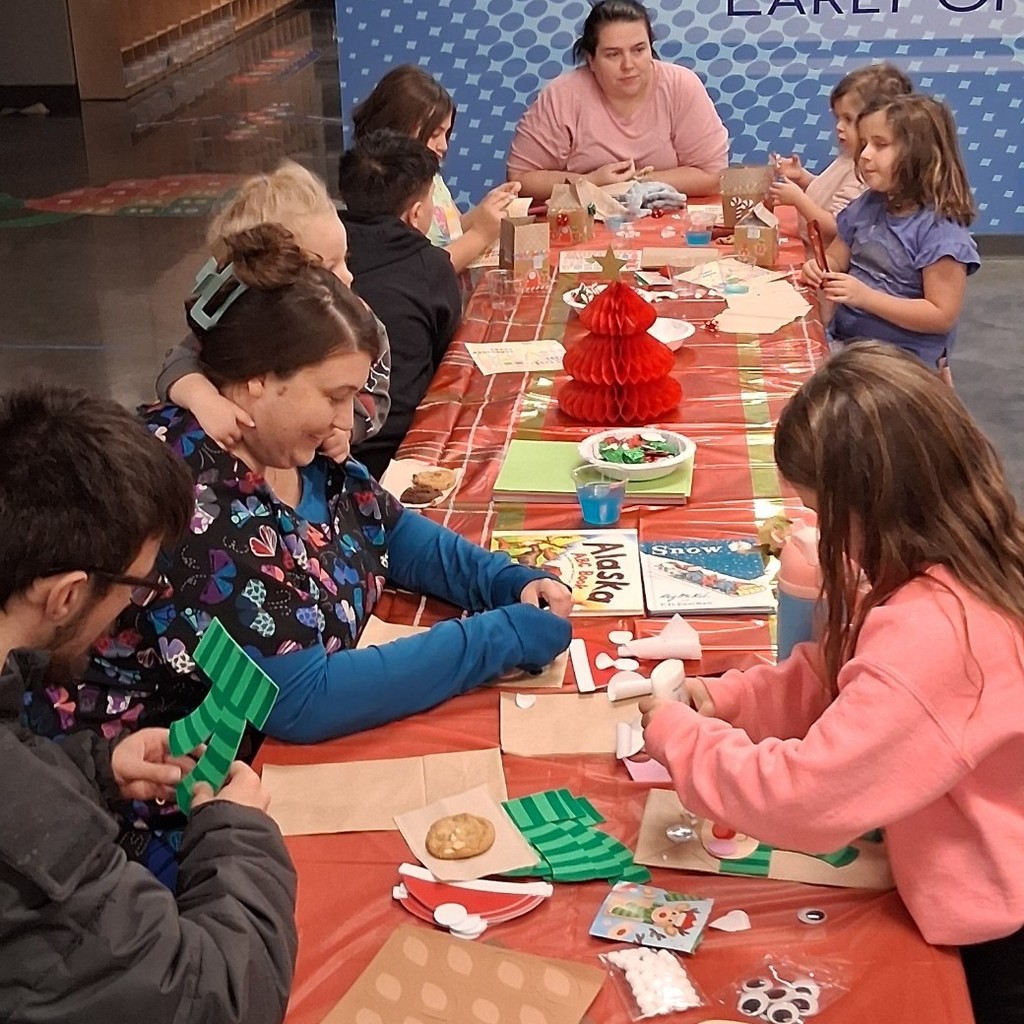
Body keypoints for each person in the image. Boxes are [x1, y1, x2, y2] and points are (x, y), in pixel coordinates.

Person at [39, 223, 570, 766]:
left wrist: (502, 579)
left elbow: (386, 529)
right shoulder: (193, 501)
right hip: (163, 792)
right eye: (335, 396)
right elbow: (303, 699)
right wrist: (496, 637)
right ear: (257, 381)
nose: (346, 421)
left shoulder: (292, 447)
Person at [639, 343, 1024, 1024]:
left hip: (997, 936)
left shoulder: (941, 631)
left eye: (826, 515)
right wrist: (737, 699)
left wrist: (684, 739)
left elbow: (807, 799)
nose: (828, 539)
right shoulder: (963, 551)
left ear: (874, 504)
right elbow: (854, 679)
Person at [0, 385, 297, 1024]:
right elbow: (217, 998)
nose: (134, 604)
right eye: (135, 585)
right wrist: (237, 831)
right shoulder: (35, 843)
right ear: (67, 595)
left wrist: (93, 770)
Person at [156, 160, 391, 456]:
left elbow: (375, 399)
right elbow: (177, 363)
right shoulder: (231, 328)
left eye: (346, 259)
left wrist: (346, 429)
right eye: (328, 267)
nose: (348, 276)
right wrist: (203, 399)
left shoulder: (360, 328)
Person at [801, 94, 980, 371]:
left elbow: (941, 314)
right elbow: (836, 257)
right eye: (864, 144)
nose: (864, 155)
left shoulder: (940, 232)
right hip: (847, 342)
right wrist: (820, 267)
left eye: (880, 145)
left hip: (901, 365)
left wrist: (866, 298)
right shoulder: (868, 204)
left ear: (920, 155)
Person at [506, 0, 728, 202]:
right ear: (591, 60)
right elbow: (520, 179)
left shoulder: (682, 85)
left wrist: (633, 184)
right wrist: (591, 183)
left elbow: (713, 175)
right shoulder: (562, 95)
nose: (628, 65)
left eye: (639, 50)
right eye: (613, 54)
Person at [337, 129, 463, 476]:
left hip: (330, 441)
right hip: (395, 449)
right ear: (416, 214)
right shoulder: (428, 266)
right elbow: (446, 359)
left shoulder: (325, 244)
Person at [351, 64, 520, 273]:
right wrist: (481, 234)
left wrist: (485, 211)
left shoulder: (432, 178)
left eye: (446, 134)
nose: (444, 146)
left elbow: (452, 231)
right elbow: (424, 270)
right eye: (434, 134)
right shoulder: (387, 192)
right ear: (398, 128)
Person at [769, 62, 913, 248]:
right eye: (838, 118)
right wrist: (803, 178)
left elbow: (837, 227)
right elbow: (833, 195)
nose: (839, 126)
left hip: (826, 260)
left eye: (848, 119)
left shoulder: (866, 171)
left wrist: (798, 200)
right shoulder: (846, 157)